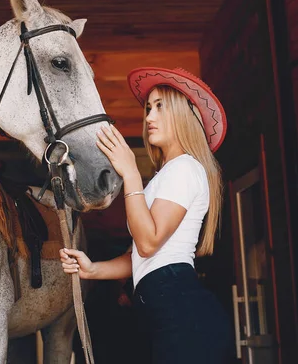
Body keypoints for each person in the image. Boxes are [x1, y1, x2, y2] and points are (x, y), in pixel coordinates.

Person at [60, 67, 231, 363]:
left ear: (184, 114)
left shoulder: (186, 168)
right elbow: (141, 256)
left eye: (160, 107)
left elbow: (149, 242)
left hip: (183, 316)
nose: (149, 117)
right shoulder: (164, 177)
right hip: (164, 311)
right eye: (149, 108)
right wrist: (93, 269)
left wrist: (130, 174)